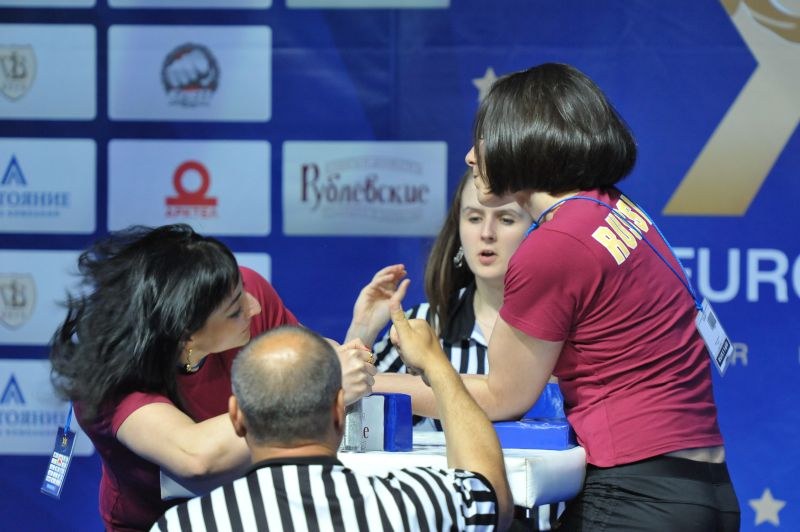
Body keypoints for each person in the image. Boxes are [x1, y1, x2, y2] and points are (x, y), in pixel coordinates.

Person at [373, 63, 740, 530]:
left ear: (527, 141)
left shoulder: (554, 245)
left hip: (639, 498)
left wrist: (375, 380)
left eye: (484, 138)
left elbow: (504, 398)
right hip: (704, 491)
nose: (469, 156)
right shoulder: (612, 209)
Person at [49, 224, 377, 532]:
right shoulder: (111, 384)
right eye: (234, 311)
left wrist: (363, 340)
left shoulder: (241, 292)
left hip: (259, 515)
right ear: (186, 337)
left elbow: (326, 361)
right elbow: (197, 457)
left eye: (241, 289)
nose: (253, 307)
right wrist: (317, 388)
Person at [351, 171, 564, 530]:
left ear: (536, 230)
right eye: (474, 217)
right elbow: (351, 403)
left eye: (506, 219)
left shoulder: (568, 330)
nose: (486, 233)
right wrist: (363, 331)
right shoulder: (420, 324)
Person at [151, 323, 513, 531]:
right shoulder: (414, 502)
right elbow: (490, 492)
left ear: (237, 418)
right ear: (340, 412)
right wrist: (437, 366)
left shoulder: (185, 524)